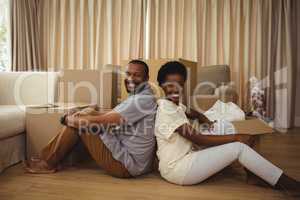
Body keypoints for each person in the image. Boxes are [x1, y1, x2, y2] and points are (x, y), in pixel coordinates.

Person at [154, 61, 300, 196]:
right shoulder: (166, 110)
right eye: (169, 85)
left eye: (179, 84)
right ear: (161, 85)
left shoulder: (175, 105)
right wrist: (237, 138)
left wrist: (205, 119)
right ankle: (291, 186)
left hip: (189, 153)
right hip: (178, 169)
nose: (175, 89)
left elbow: (191, 111)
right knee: (238, 147)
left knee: (225, 126)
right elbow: (197, 137)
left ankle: (252, 175)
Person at [24, 59, 157, 178]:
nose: (130, 78)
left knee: (80, 123)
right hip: (133, 161)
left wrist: (67, 119)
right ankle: (47, 159)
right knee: (85, 114)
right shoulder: (141, 96)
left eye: (137, 75)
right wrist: (88, 111)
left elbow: (104, 121)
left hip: (127, 166)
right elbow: (113, 114)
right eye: (128, 74)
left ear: (146, 78)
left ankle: (48, 163)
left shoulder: (141, 101)